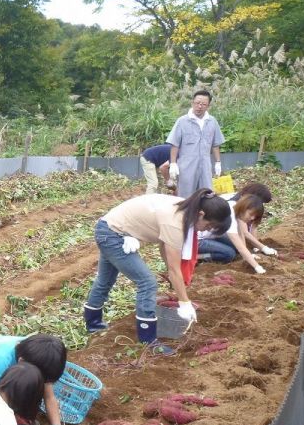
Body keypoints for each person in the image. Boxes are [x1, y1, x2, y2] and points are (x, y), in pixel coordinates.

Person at [82, 189, 232, 355]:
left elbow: (165, 247)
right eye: (208, 225)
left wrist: (173, 276)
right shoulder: (176, 221)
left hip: (111, 227)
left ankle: (93, 325)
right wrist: (184, 302)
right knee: (147, 282)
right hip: (113, 233)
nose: (204, 230)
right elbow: (175, 269)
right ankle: (148, 340)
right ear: (201, 214)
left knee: (105, 280)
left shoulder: (187, 209)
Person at [167, 90, 226, 198]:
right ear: (192, 103)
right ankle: (185, 214)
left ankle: (204, 214)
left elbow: (215, 144)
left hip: (205, 165)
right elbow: (175, 144)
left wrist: (218, 162)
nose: (200, 106)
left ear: (208, 106)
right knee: (185, 195)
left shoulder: (212, 121)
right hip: (186, 165)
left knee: (207, 193)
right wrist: (173, 164)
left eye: (203, 104)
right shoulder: (182, 121)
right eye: (197, 103)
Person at [198, 195, 274, 273]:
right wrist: (257, 267)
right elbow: (241, 247)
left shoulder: (235, 206)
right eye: (251, 214)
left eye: (254, 217)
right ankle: (197, 257)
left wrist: (249, 255)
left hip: (212, 235)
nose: (252, 218)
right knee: (229, 254)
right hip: (198, 240)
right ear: (244, 207)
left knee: (236, 247)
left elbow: (241, 233)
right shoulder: (230, 217)